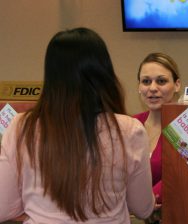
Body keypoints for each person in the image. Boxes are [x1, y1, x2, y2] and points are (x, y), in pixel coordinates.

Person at [0, 27, 155, 223]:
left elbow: (3, 208)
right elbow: (143, 208)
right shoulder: (130, 130)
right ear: (103, 73)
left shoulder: (21, 126)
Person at [133, 52, 181, 222]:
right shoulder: (129, 125)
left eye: (161, 81)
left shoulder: (186, 128)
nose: (152, 88)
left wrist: (148, 200)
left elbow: (180, 176)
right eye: (146, 81)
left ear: (177, 85)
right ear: (139, 86)